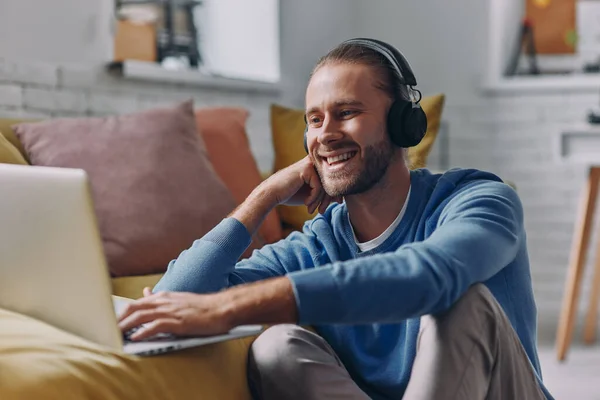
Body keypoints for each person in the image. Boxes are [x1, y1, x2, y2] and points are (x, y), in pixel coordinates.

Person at [117, 38, 553, 400]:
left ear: (404, 124)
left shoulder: (480, 200)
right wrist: (262, 197)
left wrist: (229, 309)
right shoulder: (318, 244)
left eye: (346, 113)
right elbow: (169, 304)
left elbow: (429, 278)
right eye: (314, 119)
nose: (325, 133)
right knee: (276, 347)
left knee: (460, 302)